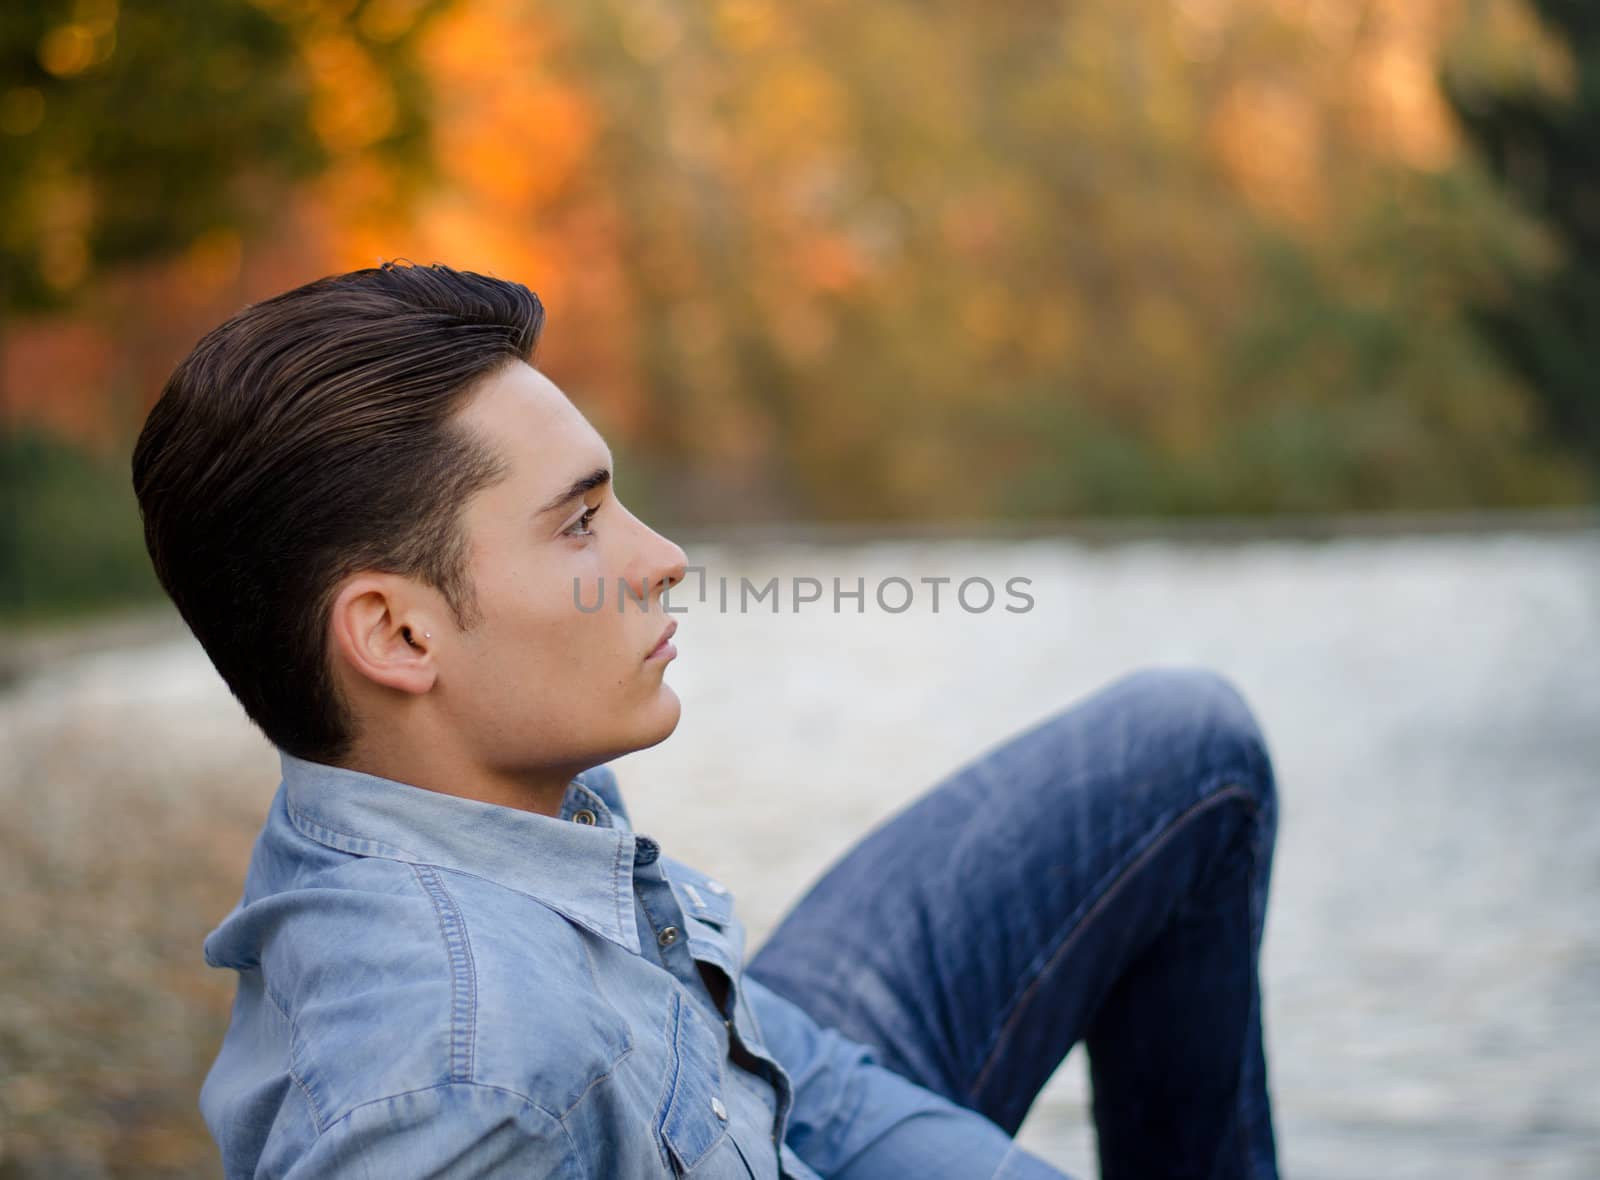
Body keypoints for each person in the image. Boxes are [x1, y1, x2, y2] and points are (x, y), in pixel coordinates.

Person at [131, 262, 1282, 1179]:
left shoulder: (470, 776)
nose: (664, 559)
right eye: (578, 525)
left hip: (740, 1093)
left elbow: (776, 1059)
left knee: (1181, 749)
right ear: (397, 637)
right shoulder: (459, 1080)